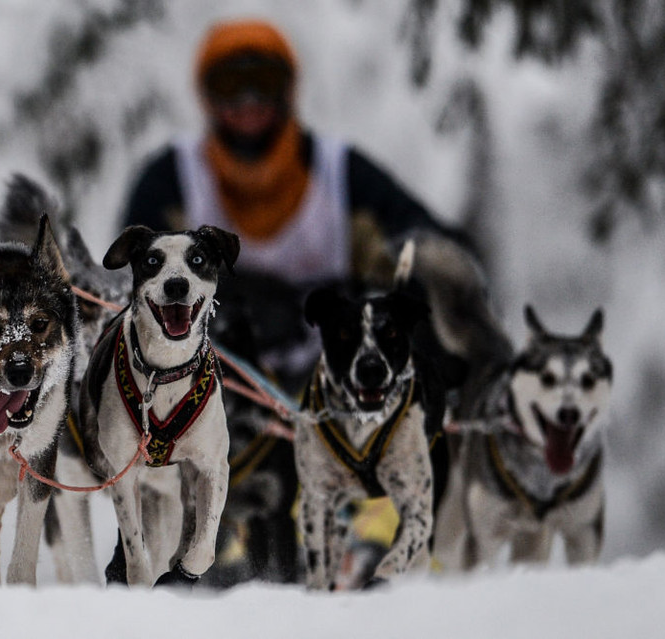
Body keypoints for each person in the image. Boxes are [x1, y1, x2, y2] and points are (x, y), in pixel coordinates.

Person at [121, 18, 462, 392]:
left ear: (288, 90)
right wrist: (235, 304)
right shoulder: (173, 181)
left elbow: (437, 254)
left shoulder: (340, 173)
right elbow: (130, 285)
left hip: (341, 384)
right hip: (211, 390)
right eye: (230, 86)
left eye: (263, 84)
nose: (248, 101)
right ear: (208, 97)